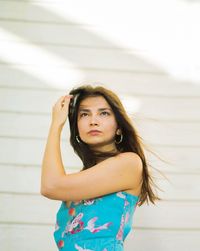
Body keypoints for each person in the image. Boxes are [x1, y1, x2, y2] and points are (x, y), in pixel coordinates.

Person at [40, 84, 161, 251]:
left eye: (103, 113)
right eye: (84, 114)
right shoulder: (80, 179)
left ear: (119, 127)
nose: (93, 121)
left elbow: (50, 186)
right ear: (76, 128)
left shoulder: (129, 163)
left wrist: (56, 126)